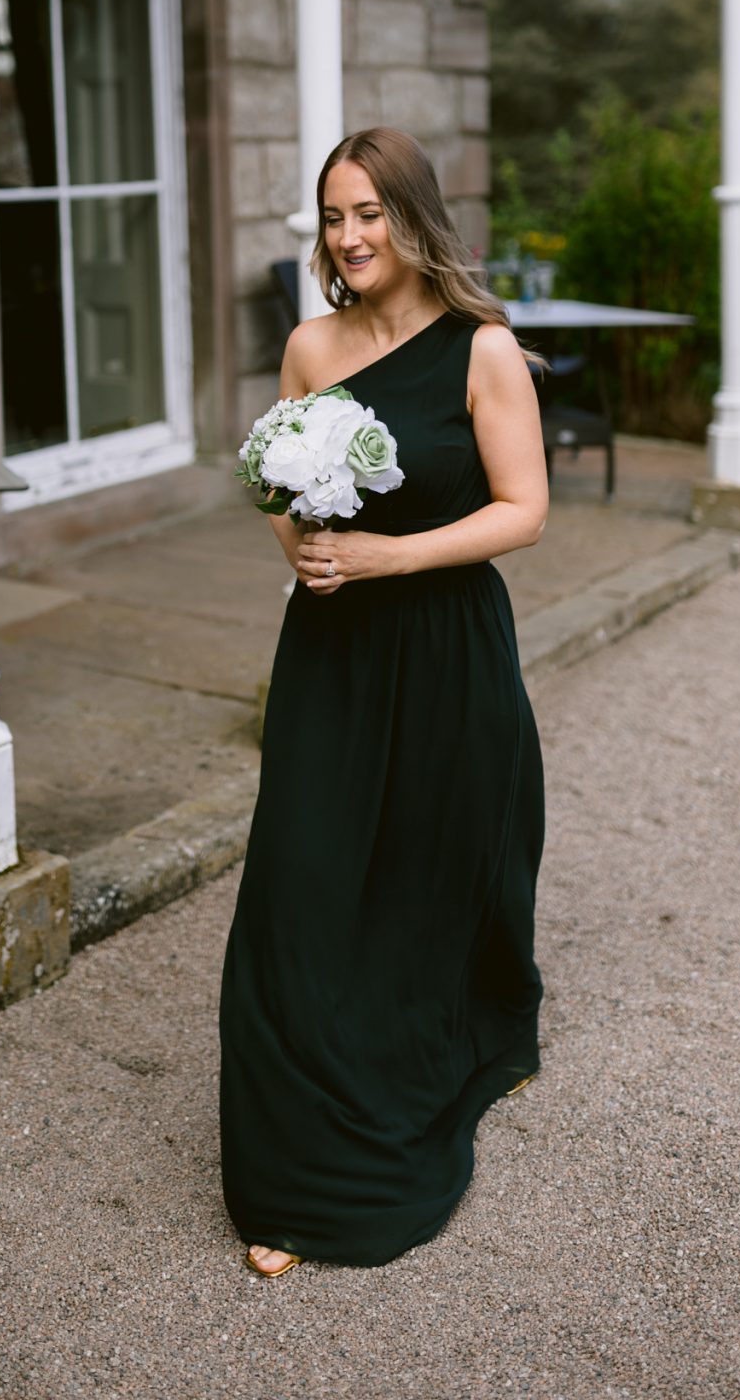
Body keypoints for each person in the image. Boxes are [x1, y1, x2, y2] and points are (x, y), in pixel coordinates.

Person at [219, 126, 550, 1276]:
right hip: (332, 654)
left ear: (414, 220)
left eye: (368, 213)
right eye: (332, 216)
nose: (348, 236)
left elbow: (524, 509)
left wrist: (386, 558)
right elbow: (276, 475)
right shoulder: (310, 344)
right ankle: (294, 1163)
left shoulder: (484, 348)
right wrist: (306, 548)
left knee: (420, 880)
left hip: (446, 646)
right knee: (298, 888)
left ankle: (423, 1068)